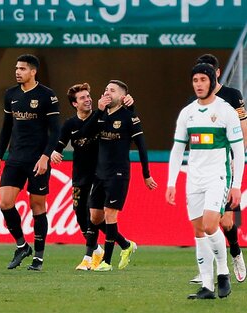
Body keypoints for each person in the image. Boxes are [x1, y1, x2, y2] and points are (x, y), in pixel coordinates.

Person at [166, 63, 244, 299]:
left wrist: (237, 184)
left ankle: (223, 273)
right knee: (199, 232)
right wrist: (171, 182)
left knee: (212, 225)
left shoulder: (226, 110)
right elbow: (178, 149)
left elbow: (239, 151)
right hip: (194, 178)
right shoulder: (187, 112)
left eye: (203, 79)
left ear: (212, 81)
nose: (198, 84)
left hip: (218, 177)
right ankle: (207, 287)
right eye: (195, 80)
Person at [51, 82, 134, 270]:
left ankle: (89, 257)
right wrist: (54, 153)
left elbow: (127, 119)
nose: (88, 100)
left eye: (88, 96)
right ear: (74, 104)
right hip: (80, 176)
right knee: (81, 216)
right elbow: (60, 144)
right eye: (82, 98)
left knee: (93, 217)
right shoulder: (70, 124)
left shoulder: (103, 117)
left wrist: (130, 104)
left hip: (100, 175)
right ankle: (123, 244)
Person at [0, 54, 60, 271]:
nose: (17, 72)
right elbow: (6, 129)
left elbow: (55, 130)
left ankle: (38, 258)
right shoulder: (10, 94)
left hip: (37, 159)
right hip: (15, 158)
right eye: (16, 68)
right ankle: (22, 245)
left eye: (22, 68)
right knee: (5, 202)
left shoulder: (47, 96)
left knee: (37, 206)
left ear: (33, 71)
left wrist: (45, 157)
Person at [84, 80, 158, 272]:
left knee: (110, 214)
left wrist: (146, 175)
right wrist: (98, 111)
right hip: (99, 174)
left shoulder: (129, 118)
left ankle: (106, 262)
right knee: (95, 216)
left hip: (118, 174)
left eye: (112, 90)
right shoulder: (100, 115)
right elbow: (85, 134)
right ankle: (125, 245)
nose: (107, 92)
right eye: (106, 89)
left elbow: (142, 147)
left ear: (122, 96)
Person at [188, 54, 246, 284]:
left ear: (217, 73)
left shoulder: (232, 96)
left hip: (226, 164)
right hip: (204, 170)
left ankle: (236, 254)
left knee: (227, 222)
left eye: (207, 75)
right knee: (204, 223)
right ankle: (209, 272)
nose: (202, 82)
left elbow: (243, 126)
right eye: (198, 77)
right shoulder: (196, 100)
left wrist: (236, 154)